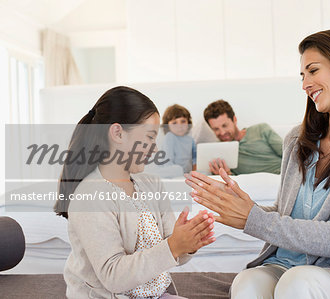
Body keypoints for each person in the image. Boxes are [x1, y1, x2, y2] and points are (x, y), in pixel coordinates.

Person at [185, 30, 330, 299]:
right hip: (285, 264)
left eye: (313, 70)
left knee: (297, 283)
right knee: (247, 282)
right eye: (303, 75)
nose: (305, 84)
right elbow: (286, 212)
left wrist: (252, 219)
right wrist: (245, 208)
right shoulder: (297, 140)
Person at [55, 86, 216, 299]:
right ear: (118, 133)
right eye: (149, 137)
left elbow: (171, 248)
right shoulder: (90, 196)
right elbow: (113, 276)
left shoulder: (151, 184)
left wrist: (188, 243)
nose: (154, 148)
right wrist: (173, 245)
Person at [203, 100, 283, 175]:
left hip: (283, 177)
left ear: (234, 120)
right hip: (253, 185)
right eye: (216, 129)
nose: (222, 132)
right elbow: (235, 181)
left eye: (225, 125)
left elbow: (289, 154)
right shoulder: (218, 151)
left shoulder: (261, 129)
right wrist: (227, 175)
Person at [162, 104, 197, 173]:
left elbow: (195, 158)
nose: (180, 126)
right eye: (174, 123)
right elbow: (167, 161)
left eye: (183, 121)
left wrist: (194, 171)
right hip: (173, 174)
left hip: (187, 174)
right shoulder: (169, 137)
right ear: (167, 126)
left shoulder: (190, 140)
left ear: (188, 122)